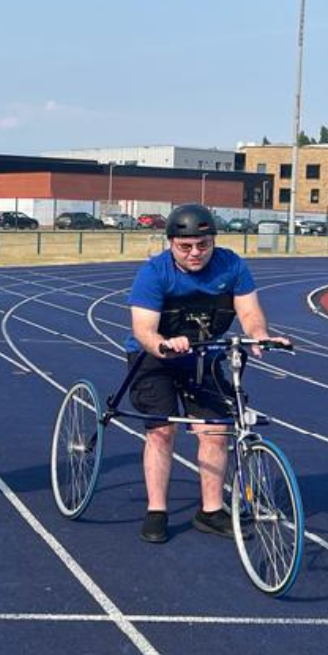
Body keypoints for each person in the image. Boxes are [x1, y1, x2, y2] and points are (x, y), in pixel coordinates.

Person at [127, 202, 286, 544]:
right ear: (170, 243)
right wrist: (165, 345)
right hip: (155, 356)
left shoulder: (232, 266)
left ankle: (210, 511)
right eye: (185, 247)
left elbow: (250, 313)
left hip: (205, 354)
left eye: (203, 245)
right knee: (161, 430)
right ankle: (157, 510)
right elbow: (143, 329)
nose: (195, 253)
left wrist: (260, 336)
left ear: (214, 241)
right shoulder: (154, 272)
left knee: (215, 429)